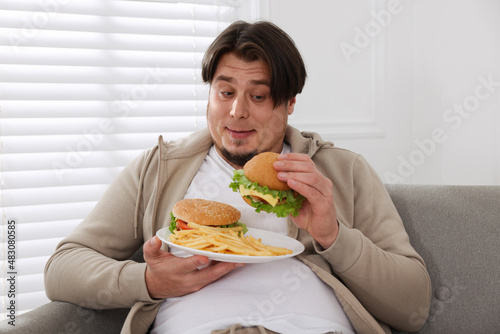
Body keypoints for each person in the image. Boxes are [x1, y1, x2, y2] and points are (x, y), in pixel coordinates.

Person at [44, 20, 431, 334]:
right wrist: (148, 282)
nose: (236, 113)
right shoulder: (158, 168)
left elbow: (413, 306)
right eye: (225, 92)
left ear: (290, 102)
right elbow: (63, 268)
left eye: (258, 96)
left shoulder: (342, 172)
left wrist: (334, 237)